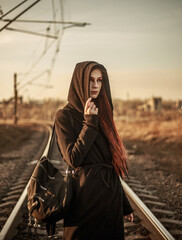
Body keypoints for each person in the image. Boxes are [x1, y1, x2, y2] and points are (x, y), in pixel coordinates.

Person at [55, 61, 134, 240]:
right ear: (80, 81)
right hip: (84, 199)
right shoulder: (64, 116)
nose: (96, 85)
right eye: (91, 80)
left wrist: (124, 204)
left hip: (110, 200)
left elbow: (109, 163)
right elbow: (73, 158)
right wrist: (90, 121)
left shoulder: (104, 113)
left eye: (99, 80)